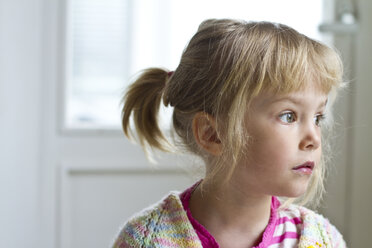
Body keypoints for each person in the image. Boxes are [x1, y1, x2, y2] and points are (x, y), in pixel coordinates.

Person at [112, 19, 346, 248]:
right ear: (212, 134)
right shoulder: (145, 242)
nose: (314, 139)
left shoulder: (322, 240)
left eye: (318, 118)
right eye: (288, 116)